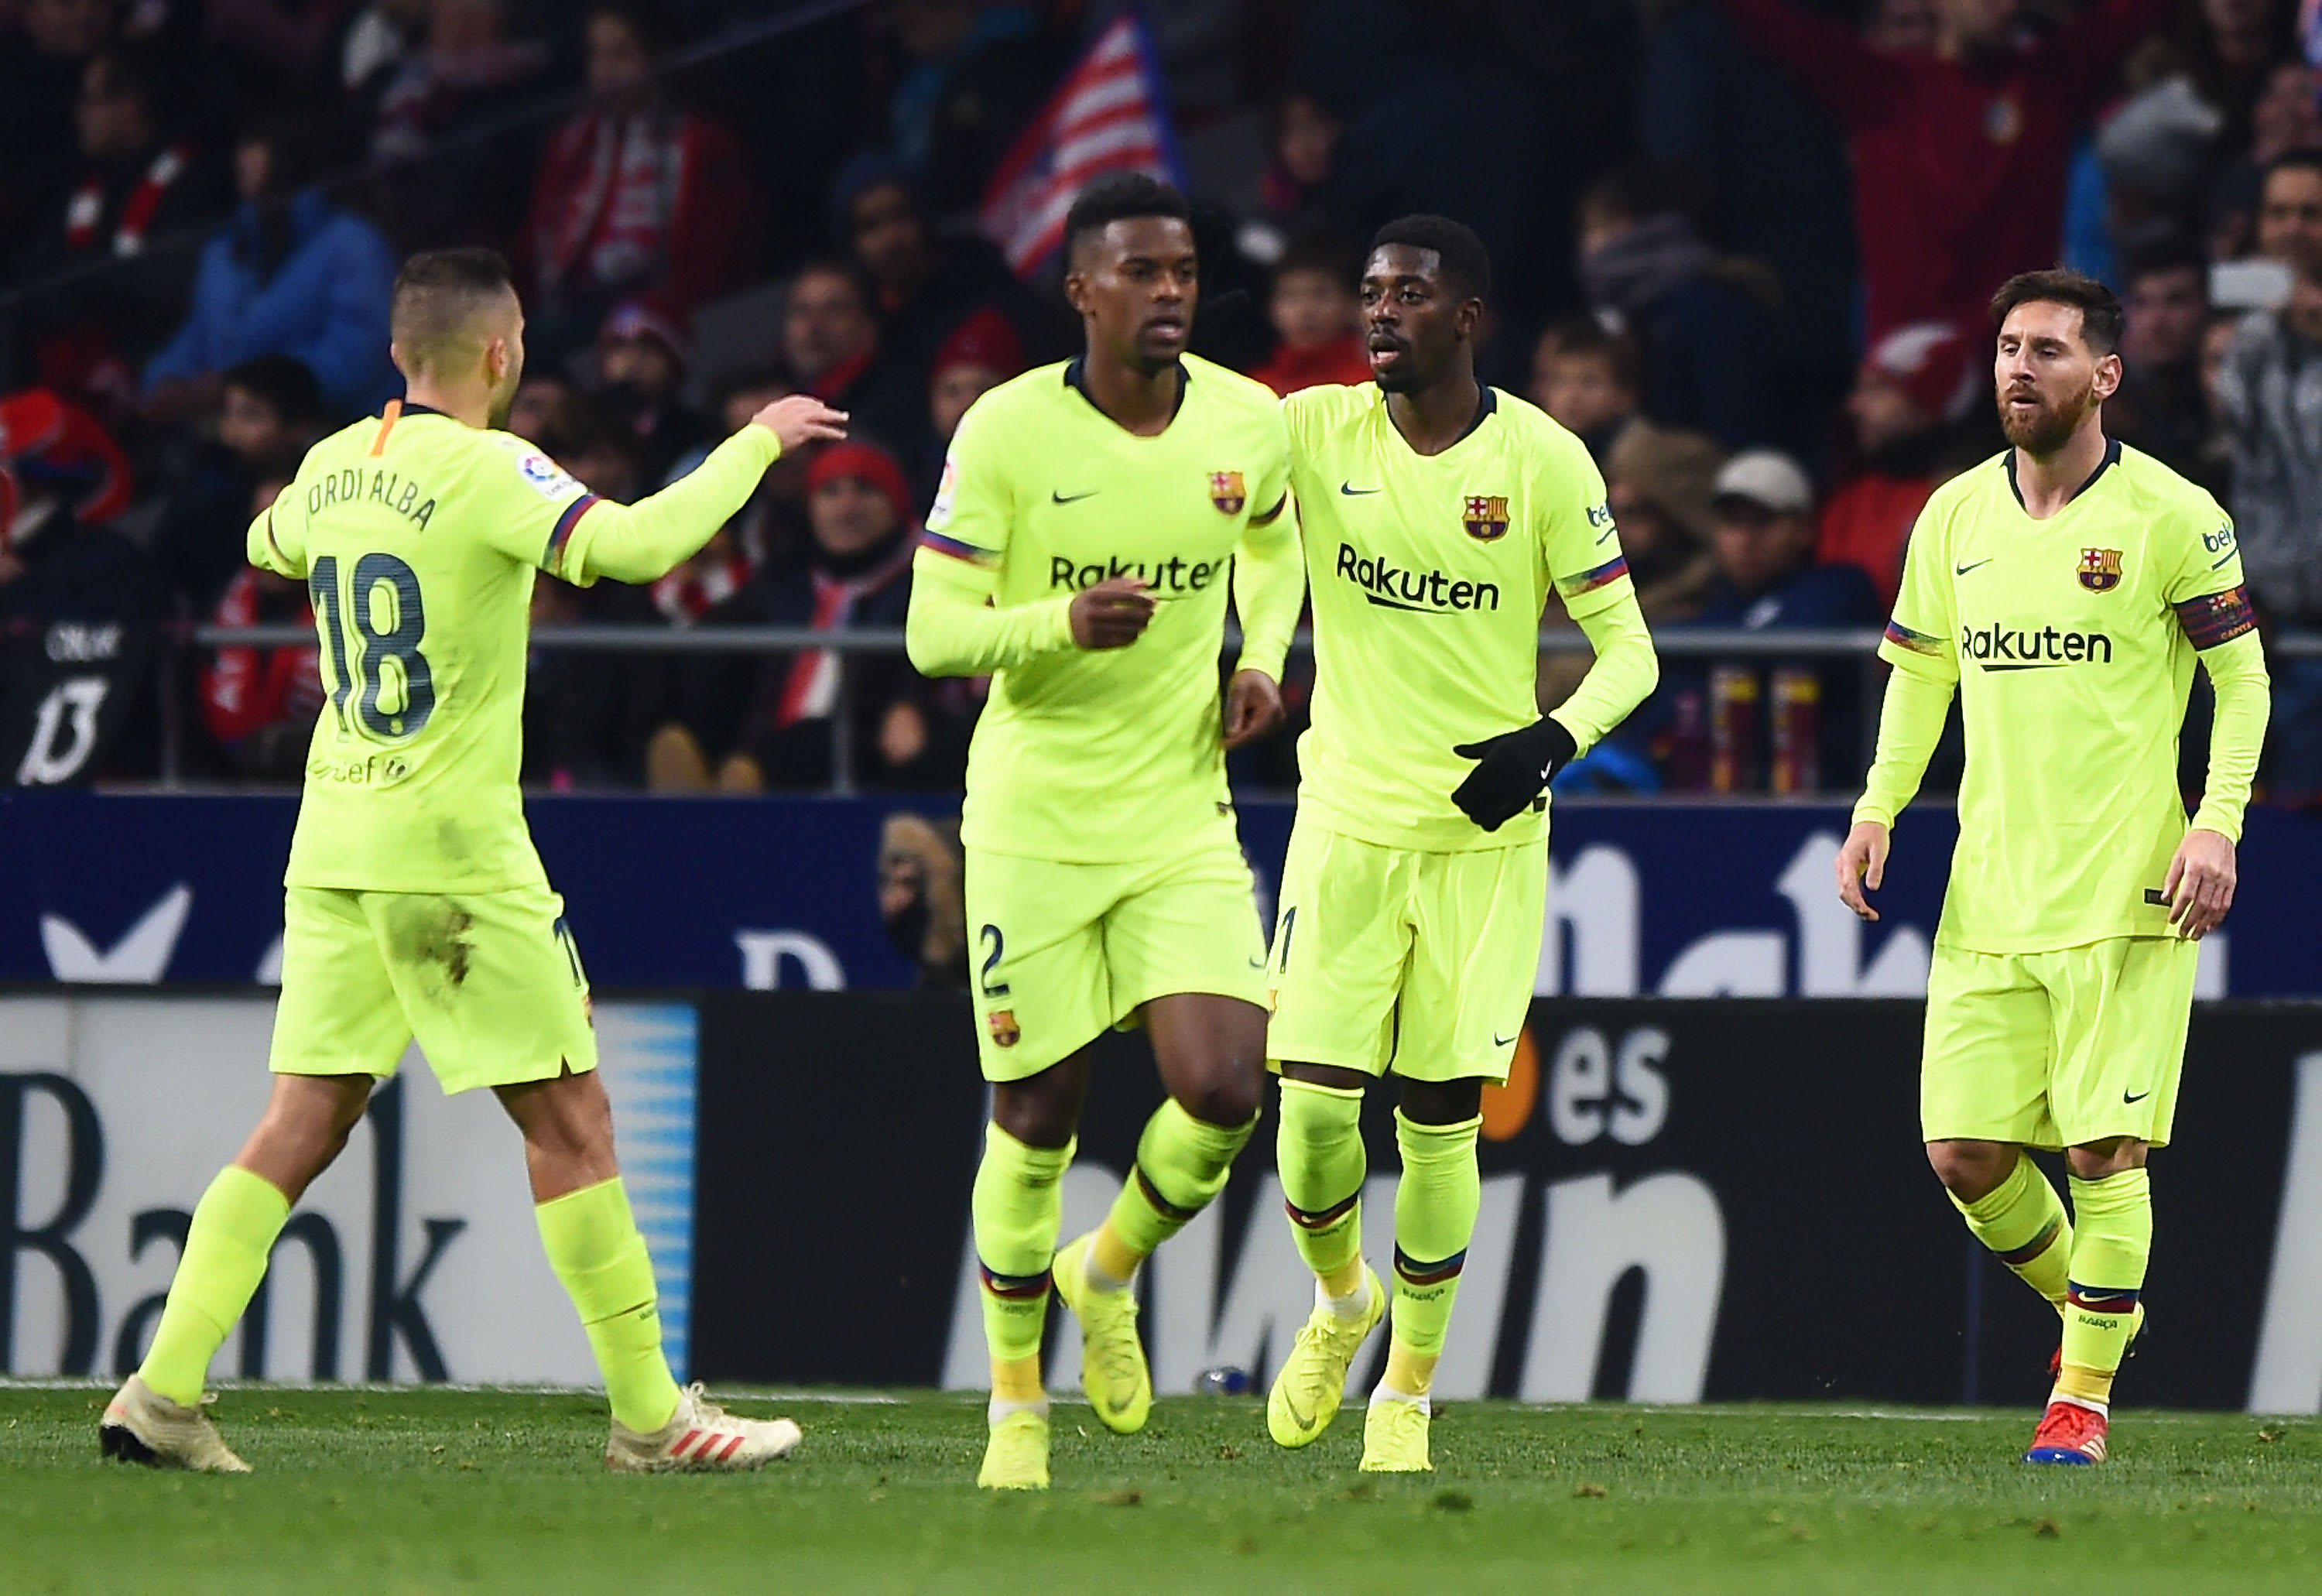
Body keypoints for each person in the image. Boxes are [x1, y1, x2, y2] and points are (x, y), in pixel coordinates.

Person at [98, 246, 848, 1474]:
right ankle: (653, 1418)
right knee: (574, 1119)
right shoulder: (497, 469)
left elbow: (267, 544)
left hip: (333, 839)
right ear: (502, 355)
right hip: (451, 852)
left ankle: (163, 1389)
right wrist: (758, 439)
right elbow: (641, 548)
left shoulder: (338, 460)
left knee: (302, 1115)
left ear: (399, 355)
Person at [903, 173, 1301, 1492]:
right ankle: (1016, 1404)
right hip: (1033, 817)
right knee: (1035, 1108)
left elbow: (1273, 543)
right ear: (1082, 289)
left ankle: (1106, 1267)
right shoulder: (1008, 432)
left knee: (1228, 1087)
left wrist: (1261, 654)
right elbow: (931, 631)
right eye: (1142, 270)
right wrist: (1054, 624)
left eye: (1183, 268)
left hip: (1180, 809)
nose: (1171, 290)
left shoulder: (1248, 419)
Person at [1837, 269, 2269, 1467]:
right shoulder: (1954, 517)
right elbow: (1920, 676)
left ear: (2105, 376)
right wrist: (1878, 809)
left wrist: (2215, 822)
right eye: (2008, 348)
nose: (2017, 369)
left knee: (2100, 1151)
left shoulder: (2173, 515)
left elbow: (2243, 680)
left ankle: (2078, 1402)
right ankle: (2100, 1311)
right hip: (1991, 891)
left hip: (2128, 885)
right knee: (1964, 1155)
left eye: (2047, 351)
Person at [1263, 217, 1658, 1473]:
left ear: (1468, 315)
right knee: (1317, 1120)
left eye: (1410, 295)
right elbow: (1236, 523)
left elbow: (1632, 654)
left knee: (1438, 1121)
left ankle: (1408, 1396)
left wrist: (1547, 743)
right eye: (1372, 293)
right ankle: (1340, 1299)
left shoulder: (1543, 460)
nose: (1382, 313)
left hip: (1484, 842)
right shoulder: (1316, 431)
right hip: (1344, 825)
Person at [1719, 0, 2170, 341]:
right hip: (1907, 378)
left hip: (2013, 357)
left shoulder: (2048, 81)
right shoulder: (1883, 90)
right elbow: (1770, 22)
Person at [142, 109, 400, 420]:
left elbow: (361, 353)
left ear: (289, 153)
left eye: (254, 144)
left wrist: (257, 390)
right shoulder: (225, 250)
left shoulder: (352, 243)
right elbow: (199, 333)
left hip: (343, 436)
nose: (239, 157)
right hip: (233, 441)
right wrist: (168, 380)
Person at [1687, 450, 1884, 789]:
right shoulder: (1715, 604)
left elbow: (1796, 648)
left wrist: (1698, 649)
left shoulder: (1841, 588)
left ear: (1804, 528)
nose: (1746, 539)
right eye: (1733, 522)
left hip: (1832, 796)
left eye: (1763, 521)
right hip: (1721, 798)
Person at [2214, 253, 2322, 804]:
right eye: (2280, 212)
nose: (2295, 229)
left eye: (2309, 212)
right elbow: (2231, 413)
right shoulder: (2256, 343)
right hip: (2269, 616)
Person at [1574, 166, 1776, 451]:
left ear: (1624, 226)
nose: (1585, 247)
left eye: (1592, 229)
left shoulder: (1709, 307)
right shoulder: (1626, 309)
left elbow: (1731, 421)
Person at [1820, 320, 1981, 608]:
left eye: (1877, 389)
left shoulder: (1975, 500)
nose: (1854, 405)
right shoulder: (1850, 503)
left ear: (1929, 401)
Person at [1249, 231, 1372, 396]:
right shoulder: (1255, 389)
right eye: (1290, 296)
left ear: (1352, 303)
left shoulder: (1370, 387)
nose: (1305, 311)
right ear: (1272, 308)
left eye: (1320, 294)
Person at [1531, 317, 1645, 467]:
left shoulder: (1635, 453)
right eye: (1560, 381)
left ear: (1625, 395)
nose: (1573, 395)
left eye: (1589, 383)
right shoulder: (1532, 447)